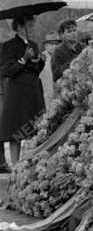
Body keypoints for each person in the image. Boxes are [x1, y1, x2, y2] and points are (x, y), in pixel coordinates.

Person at [0, 14, 46, 167]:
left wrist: (40, 62)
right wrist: (24, 59)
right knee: (15, 132)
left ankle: (29, 164)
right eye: (30, 25)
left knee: (34, 130)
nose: (32, 29)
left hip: (33, 91)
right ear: (20, 26)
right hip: (17, 92)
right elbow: (7, 70)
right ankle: (15, 167)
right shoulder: (8, 45)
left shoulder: (33, 44)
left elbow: (35, 70)